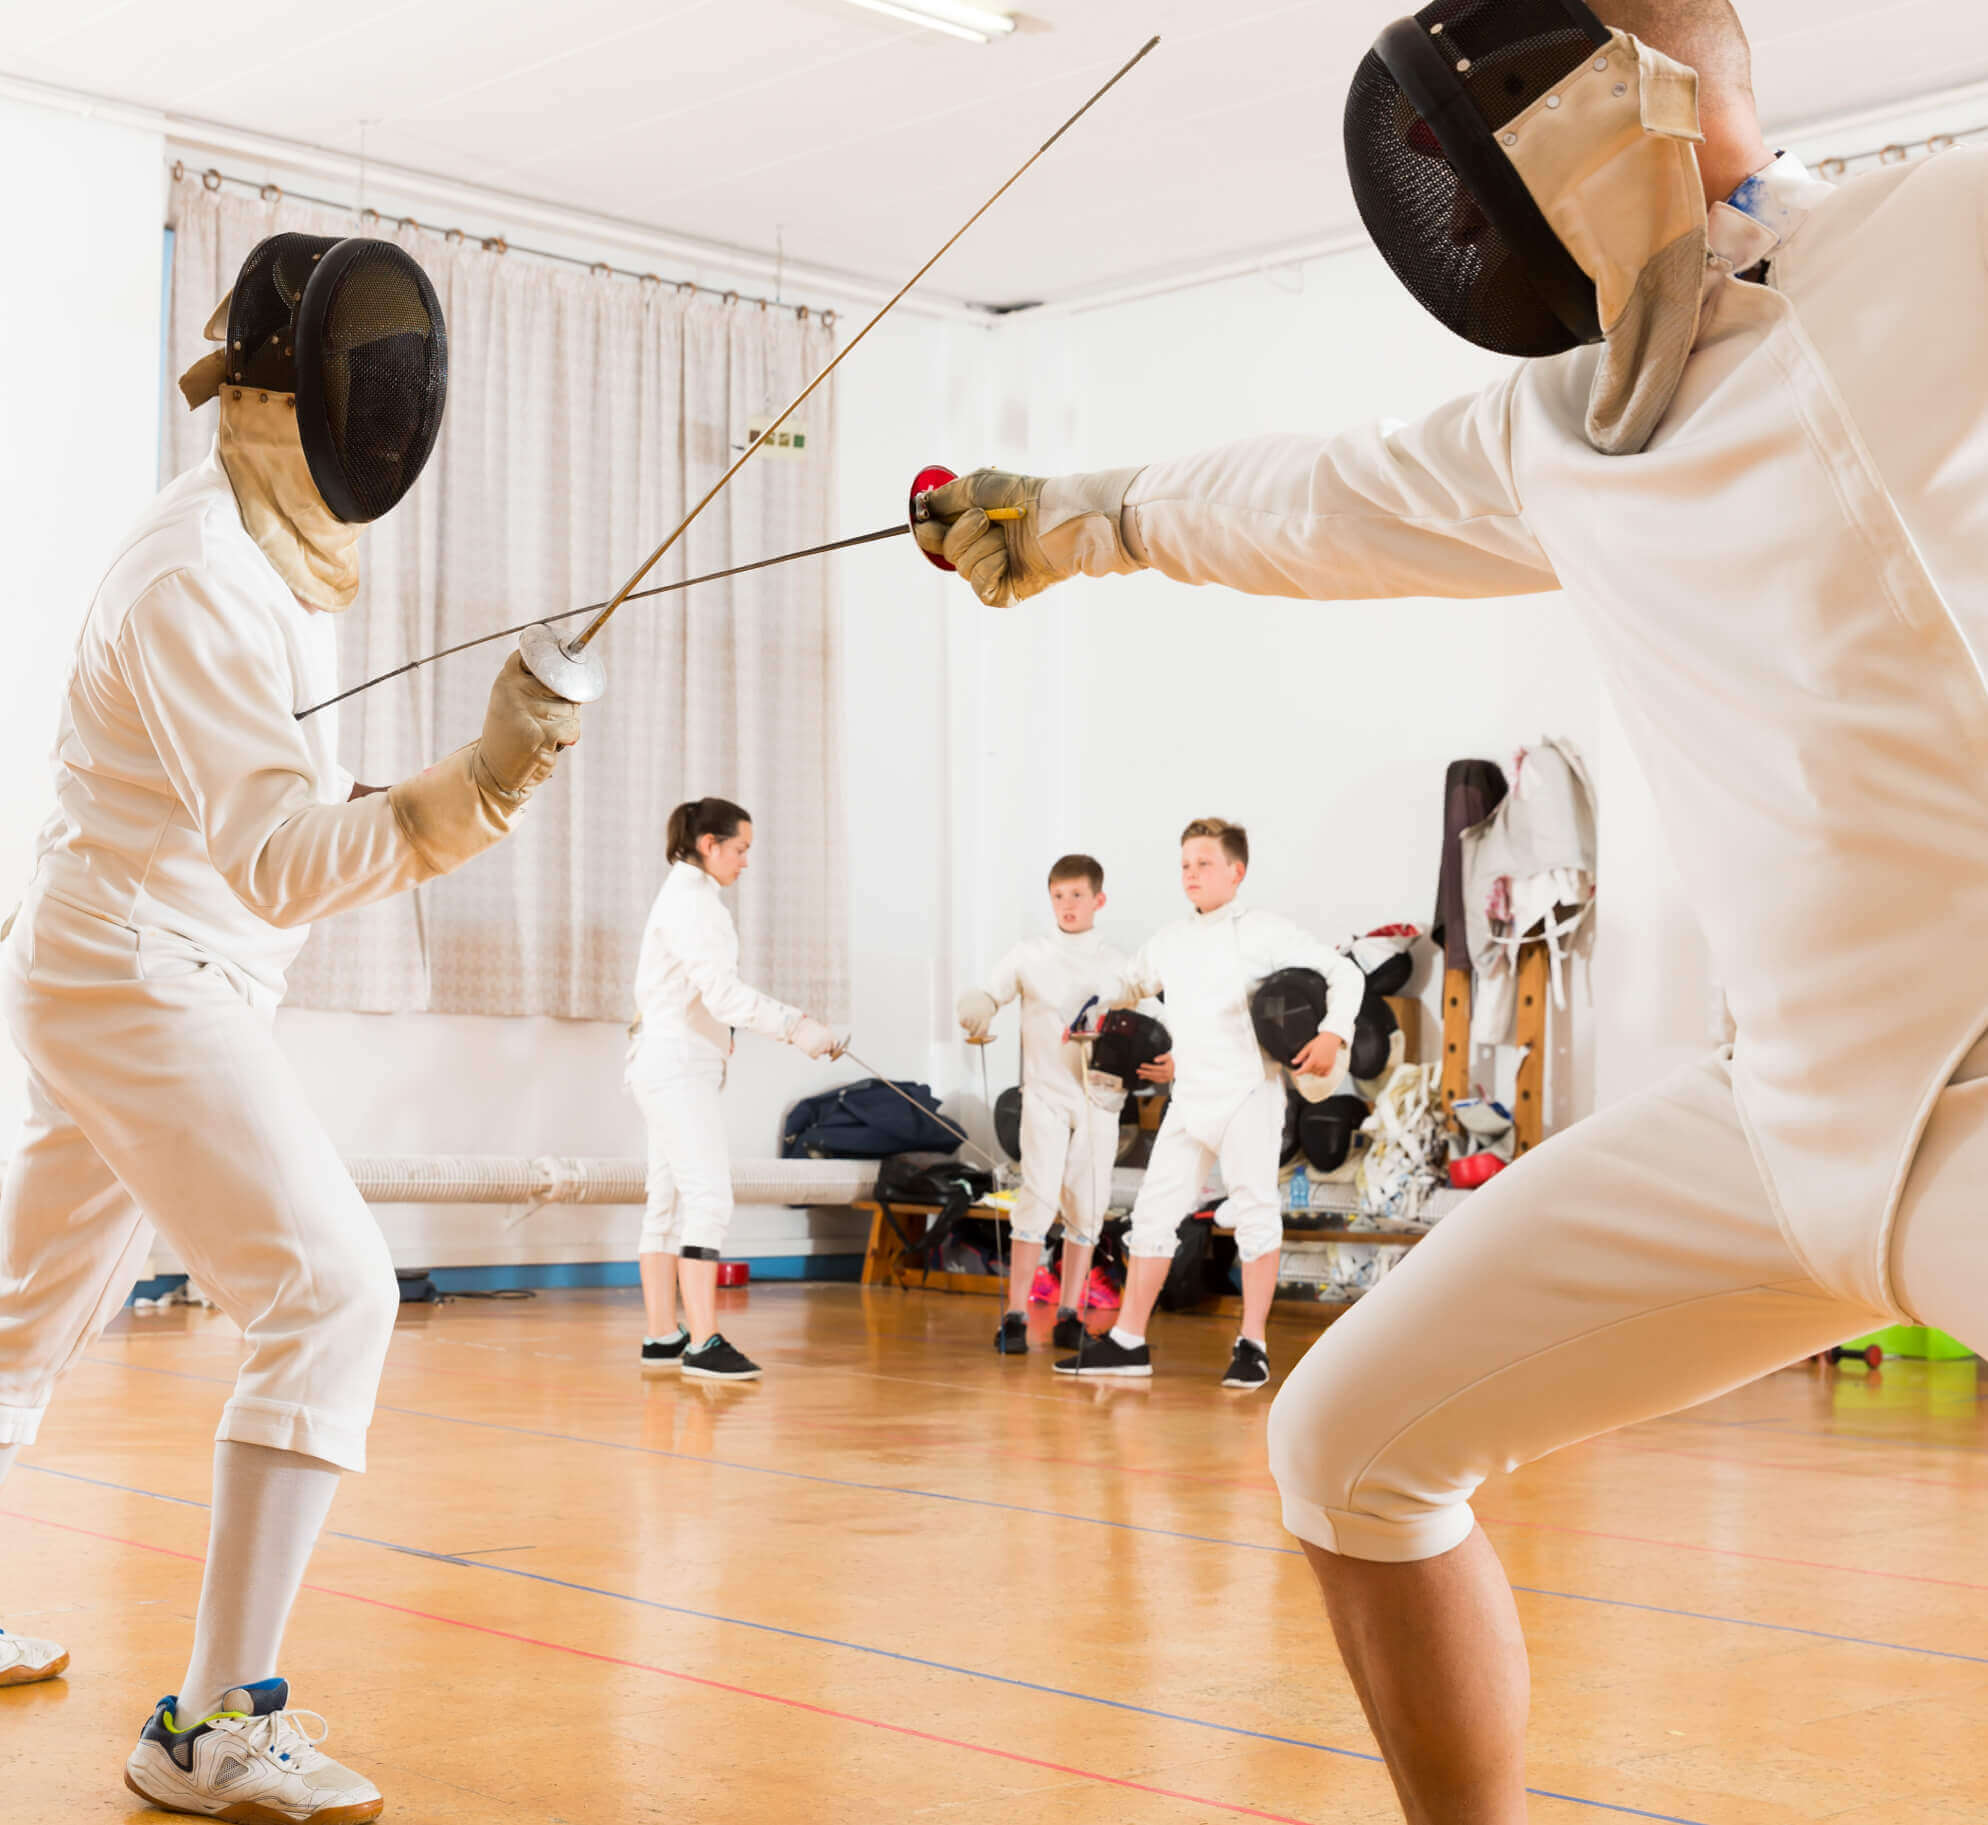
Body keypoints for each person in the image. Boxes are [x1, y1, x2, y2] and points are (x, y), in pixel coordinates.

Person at [916, 1, 1988, 1812]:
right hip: (1778, 1117)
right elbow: (1303, 498)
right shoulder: (1552, 432)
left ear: (1639, 101)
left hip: (1972, 1097)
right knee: (1350, 1444)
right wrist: (1082, 513)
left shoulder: (1939, 245)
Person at [0, 233, 582, 1820]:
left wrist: (456, 786)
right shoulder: (198, 571)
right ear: (278, 388)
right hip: (136, 970)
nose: (381, 410)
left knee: (20, 1315)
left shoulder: (269, 543)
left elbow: (258, 835)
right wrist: (473, 790)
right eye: (355, 379)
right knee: (331, 1291)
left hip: (121, 954)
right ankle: (211, 1725)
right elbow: (273, 853)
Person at [1054, 820, 1364, 1390]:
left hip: (1249, 1093)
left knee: (1253, 1214)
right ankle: (1128, 1341)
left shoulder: (1265, 931)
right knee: (1150, 1215)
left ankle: (1252, 1345)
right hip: (1190, 1098)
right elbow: (1125, 984)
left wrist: (1334, 1035)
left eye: (1203, 863)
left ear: (1235, 871)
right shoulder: (1169, 941)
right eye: (1185, 865)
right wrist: (1087, 1016)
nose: (1191, 874)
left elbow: (1343, 973)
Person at [626, 797, 843, 1384]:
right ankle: (702, 1343)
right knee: (709, 1200)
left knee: (666, 1204)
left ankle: (661, 1336)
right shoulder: (697, 904)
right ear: (709, 845)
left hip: (662, 1059)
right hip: (675, 1066)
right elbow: (723, 996)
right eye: (741, 849)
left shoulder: (682, 897)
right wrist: (800, 1028)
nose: (746, 862)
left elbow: (701, 999)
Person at [956, 853, 1150, 1355]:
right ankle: (1016, 1314)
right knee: (1037, 1198)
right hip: (1043, 1095)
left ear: (1098, 900)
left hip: (1099, 1101)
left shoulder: (1118, 963)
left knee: (1086, 1206)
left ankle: (1069, 1315)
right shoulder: (1029, 953)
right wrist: (976, 1009)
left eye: (1077, 895)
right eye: (1059, 896)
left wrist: (1168, 1055)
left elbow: (1152, 1020)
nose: (1067, 905)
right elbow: (990, 993)